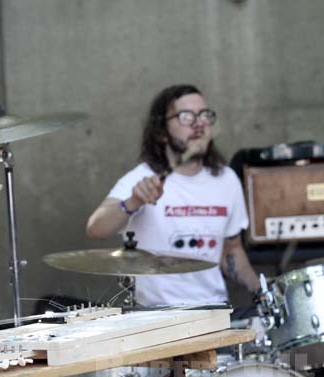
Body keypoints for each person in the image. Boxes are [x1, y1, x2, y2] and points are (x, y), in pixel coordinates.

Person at [87, 84, 260, 307]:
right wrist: (133, 202)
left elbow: (232, 250)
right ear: (160, 131)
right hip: (157, 317)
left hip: (213, 311)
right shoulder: (141, 178)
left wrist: (261, 290)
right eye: (186, 116)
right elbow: (95, 228)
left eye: (204, 115)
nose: (199, 123)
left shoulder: (226, 180)